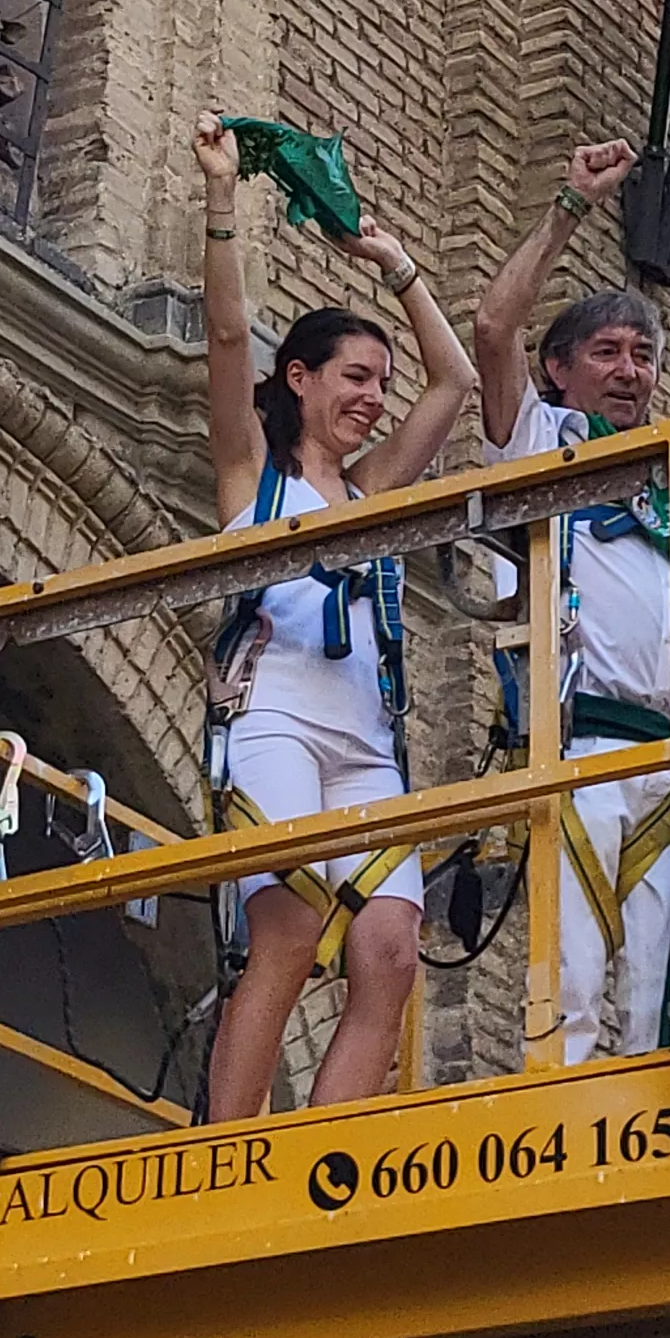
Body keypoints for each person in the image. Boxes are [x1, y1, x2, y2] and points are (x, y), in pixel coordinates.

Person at [195, 113, 479, 1121]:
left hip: (365, 742)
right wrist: (223, 199)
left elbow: (456, 380)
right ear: (299, 378)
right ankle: (227, 1151)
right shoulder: (252, 474)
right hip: (273, 717)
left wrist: (396, 265)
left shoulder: (372, 488)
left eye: (379, 385)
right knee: (286, 925)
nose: (372, 398)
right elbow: (228, 337)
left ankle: (323, 1152)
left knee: (390, 951)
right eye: (355, 377)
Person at [470, 141, 670, 1064]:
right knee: (567, 988)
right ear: (558, 371)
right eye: (606, 352)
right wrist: (569, 204)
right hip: (579, 748)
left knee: (665, 1003)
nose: (630, 371)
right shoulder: (540, 443)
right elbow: (492, 326)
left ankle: (661, 1137)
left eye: (643, 356)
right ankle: (562, 1130)